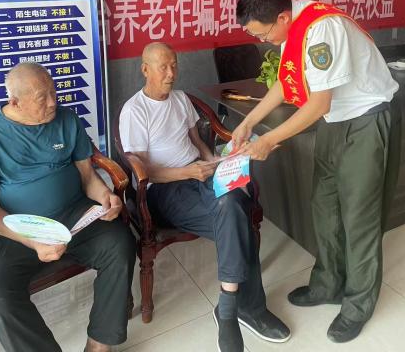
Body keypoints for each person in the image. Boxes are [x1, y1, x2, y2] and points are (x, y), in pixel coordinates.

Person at [232, 0, 402, 344]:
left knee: (359, 216)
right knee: (325, 206)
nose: (263, 41)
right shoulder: (292, 27)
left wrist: (268, 140)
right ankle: (328, 284)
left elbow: (319, 103)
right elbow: (286, 81)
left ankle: (358, 304)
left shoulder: (322, 28)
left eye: (263, 35)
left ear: (282, 17)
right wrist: (249, 122)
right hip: (335, 121)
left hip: (366, 119)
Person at [119, 42, 290, 352]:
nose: (171, 73)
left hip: (199, 175)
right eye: (163, 67)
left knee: (234, 202)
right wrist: (187, 172)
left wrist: (216, 163)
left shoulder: (181, 99)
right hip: (164, 190)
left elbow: (196, 141)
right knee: (234, 213)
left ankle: (230, 308)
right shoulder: (135, 111)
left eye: (174, 65)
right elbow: (142, 171)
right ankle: (245, 309)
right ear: (145, 69)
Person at [0, 62, 136, 352]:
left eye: (53, 92)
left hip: (74, 215)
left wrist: (105, 196)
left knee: (120, 244)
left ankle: (99, 344)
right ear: (15, 102)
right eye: (41, 97)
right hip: (18, 230)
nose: (52, 102)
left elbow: (88, 177)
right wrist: (32, 241)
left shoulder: (67, 119)